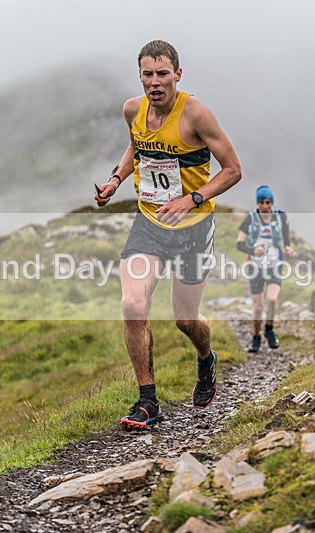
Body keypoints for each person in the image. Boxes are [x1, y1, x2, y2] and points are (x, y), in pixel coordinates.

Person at [94, 40, 242, 430]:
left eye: (162, 74)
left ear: (178, 74)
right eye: (147, 74)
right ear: (139, 75)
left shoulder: (195, 114)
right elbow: (136, 147)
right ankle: (147, 402)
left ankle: (206, 360)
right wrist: (115, 179)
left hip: (193, 229)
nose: (155, 82)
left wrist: (192, 199)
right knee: (132, 304)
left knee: (185, 319)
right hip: (149, 224)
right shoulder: (133, 109)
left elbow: (232, 170)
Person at [236, 185, 293, 353]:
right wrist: (253, 250)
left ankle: (269, 329)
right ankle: (256, 337)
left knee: (273, 300)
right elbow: (239, 244)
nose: (265, 206)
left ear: (272, 202)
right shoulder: (250, 219)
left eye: (268, 202)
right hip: (255, 266)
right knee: (258, 307)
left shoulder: (281, 217)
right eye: (261, 202)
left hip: (275, 265)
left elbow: (286, 237)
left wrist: (288, 247)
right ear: (257, 203)